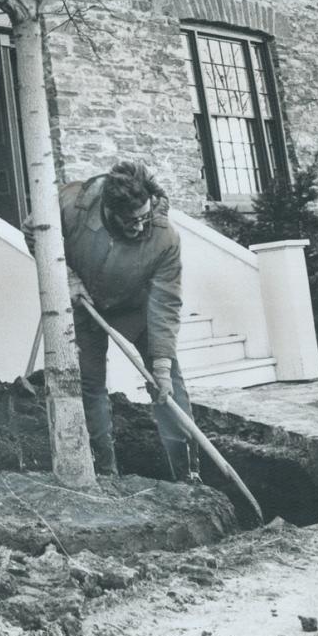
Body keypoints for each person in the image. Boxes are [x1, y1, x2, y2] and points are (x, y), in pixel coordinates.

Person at [54, 160, 196, 482]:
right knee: (91, 384)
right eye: (131, 221)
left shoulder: (164, 237)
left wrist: (160, 363)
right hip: (86, 302)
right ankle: (105, 473)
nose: (141, 226)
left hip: (136, 306)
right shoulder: (71, 205)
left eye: (145, 216)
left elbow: (166, 301)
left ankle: (188, 474)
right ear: (108, 211)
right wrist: (68, 277)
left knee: (167, 382)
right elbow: (36, 232)